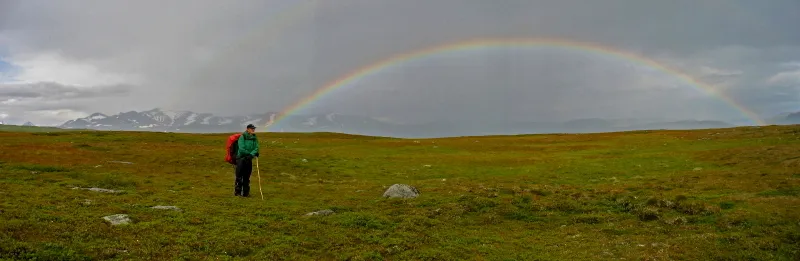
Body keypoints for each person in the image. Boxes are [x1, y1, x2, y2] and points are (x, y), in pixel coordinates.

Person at [234, 124, 260, 197]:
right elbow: (241, 148)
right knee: (239, 176)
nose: (253, 130)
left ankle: (246, 193)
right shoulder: (242, 137)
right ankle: (238, 193)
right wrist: (249, 154)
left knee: (247, 176)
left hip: (249, 159)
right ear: (247, 129)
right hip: (241, 159)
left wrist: (251, 155)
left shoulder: (254, 137)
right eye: (252, 129)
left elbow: (256, 147)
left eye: (254, 129)